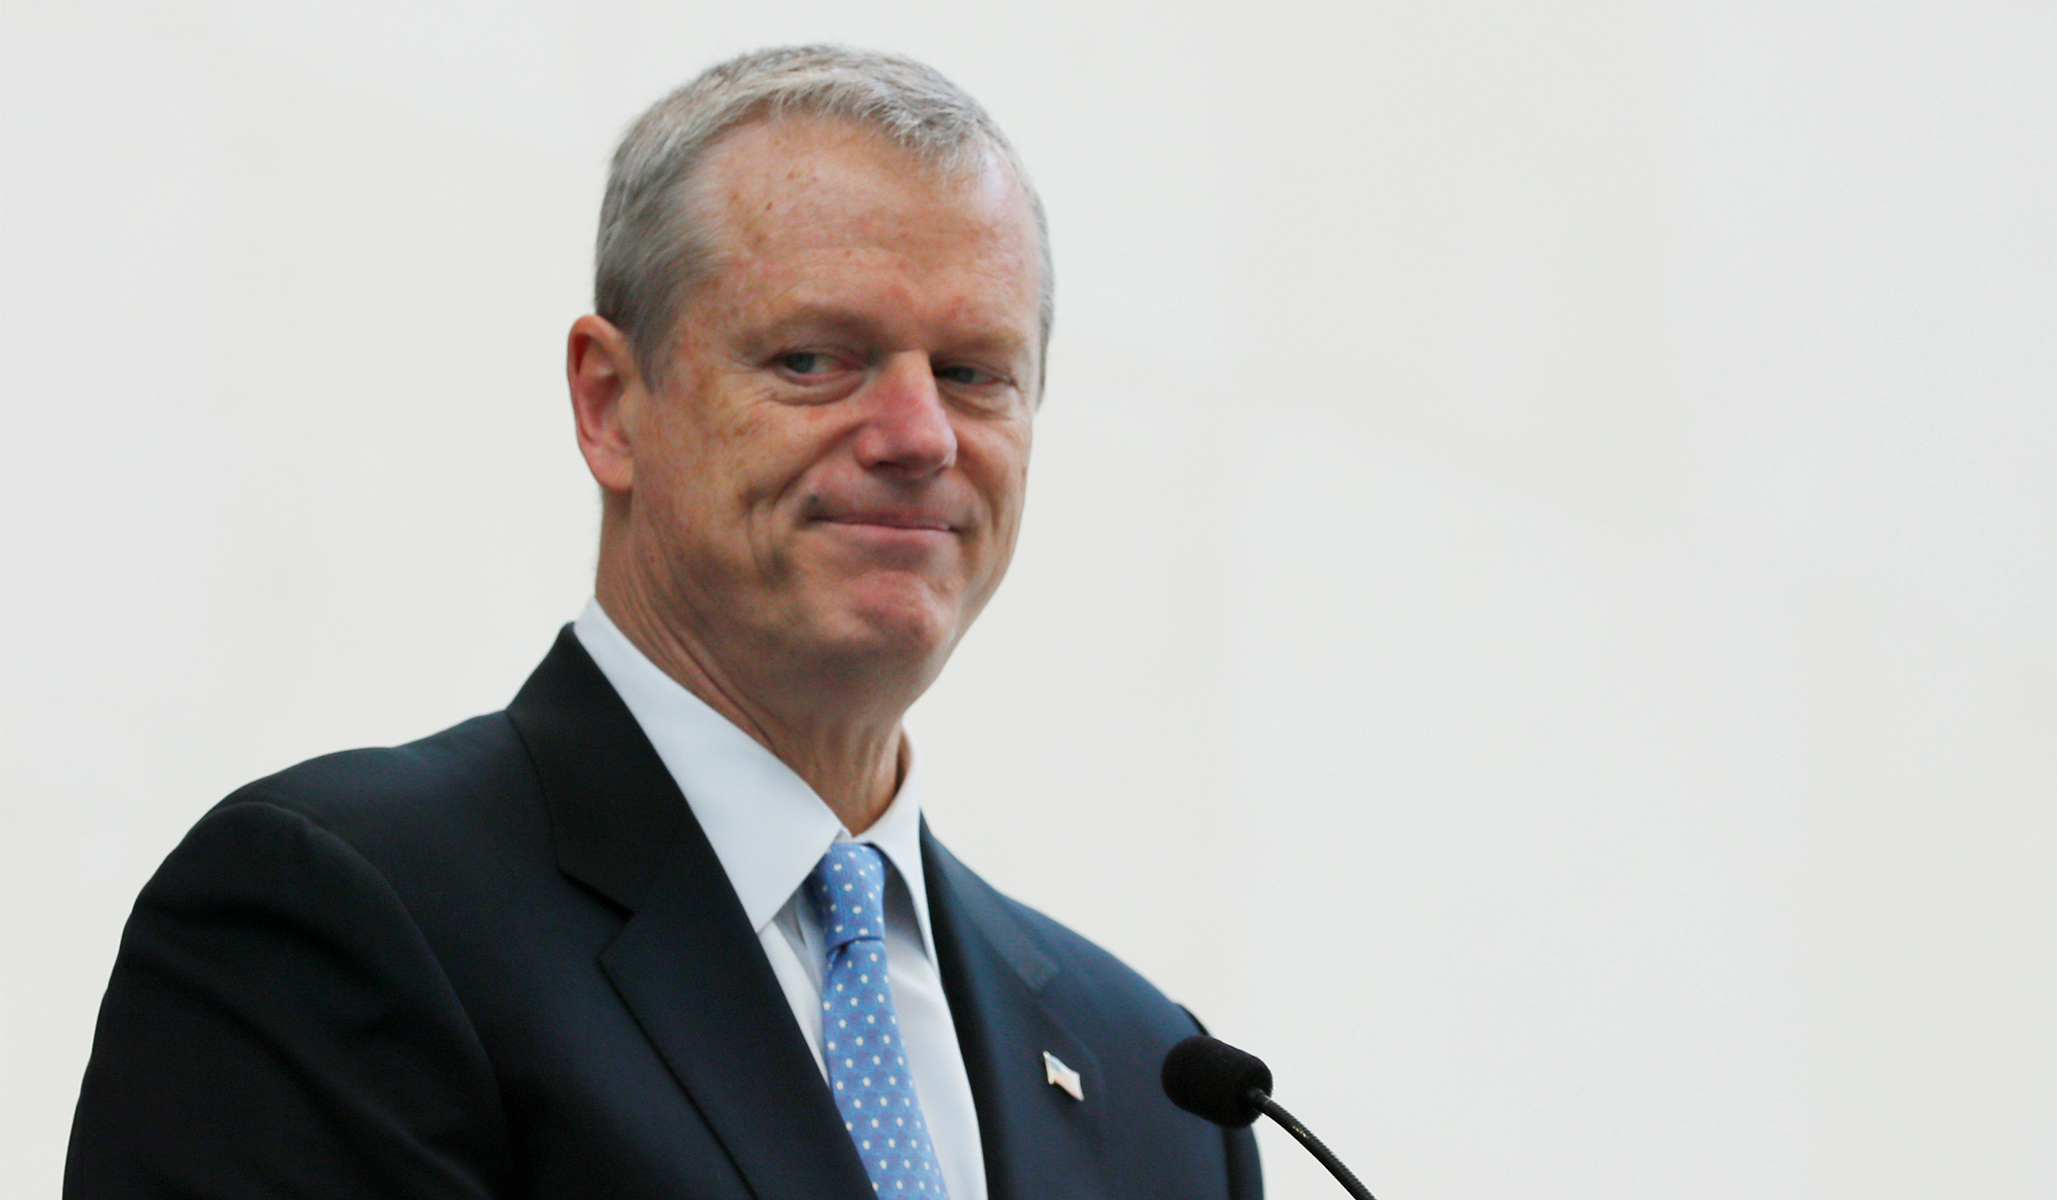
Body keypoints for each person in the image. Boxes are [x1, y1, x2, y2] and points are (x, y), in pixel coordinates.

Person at [64, 45, 1262, 1200]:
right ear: (608, 405)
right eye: (813, 358)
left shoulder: (1162, 1092)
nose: (918, 436)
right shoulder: (336, 919)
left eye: (972, 373)